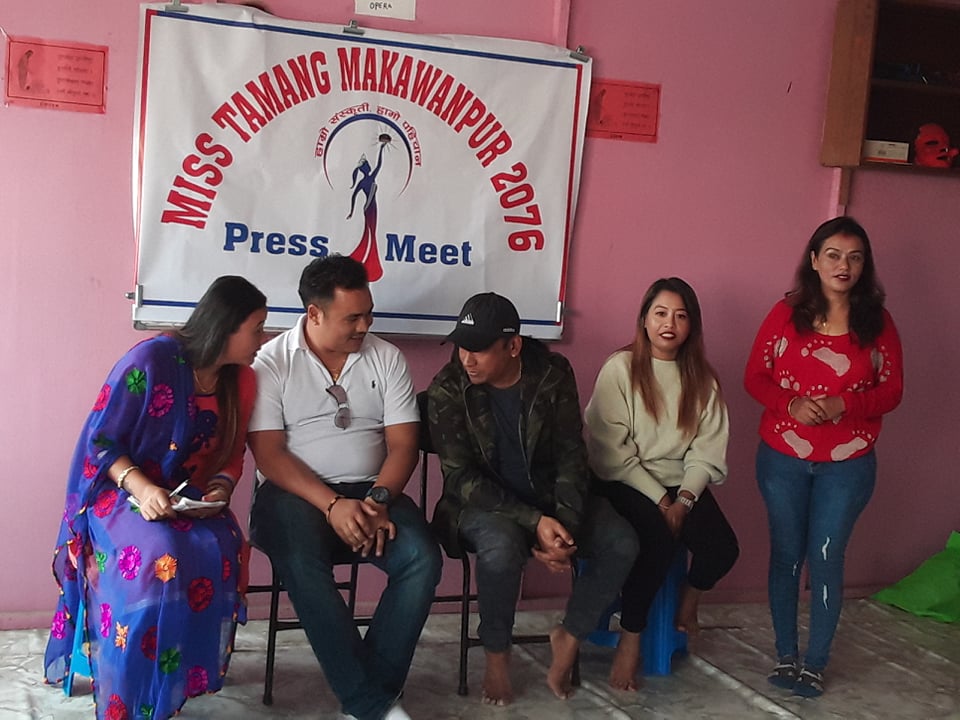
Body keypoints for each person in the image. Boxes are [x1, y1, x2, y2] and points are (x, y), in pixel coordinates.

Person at [44, 276, 268, 720]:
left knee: (222, 544)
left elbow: (232, 455)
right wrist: (143, 488)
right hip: (121, 492)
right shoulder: (151, 361)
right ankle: (131, 691)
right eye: (257, 329)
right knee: (161, 555)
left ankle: (180, 670)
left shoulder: (242, 381)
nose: (263, 340)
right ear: (226, 326)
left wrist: (221, 488)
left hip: (188, 499)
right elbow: (101, 442)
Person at [247, 255, 441, 720]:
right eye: (352, 318)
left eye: (368, 314)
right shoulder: (271, 362)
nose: (364, 326)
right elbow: (269, 455)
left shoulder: (386, 357)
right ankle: (372, 704)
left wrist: (377, 500)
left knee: (421, 557)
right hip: (293, 495)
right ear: (314, 313)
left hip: (373, 493)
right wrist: (333, 505)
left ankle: (365, 701)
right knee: (301, 559)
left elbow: (403, 446)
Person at [428, 292, 639, 705]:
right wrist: (535, 522)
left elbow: (571, 455)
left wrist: (564, 530)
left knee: (622, 542)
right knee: (500, 548)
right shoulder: (448, 387)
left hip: (550, 500)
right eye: (461, 346)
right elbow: (460, 478)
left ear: (513, 346)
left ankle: (570, 634)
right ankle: (496, 654)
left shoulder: (552, 375)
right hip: (482, 505)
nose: (466, 359)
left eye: (478, 349)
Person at [744, 216, 903, 698]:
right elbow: (755, 377)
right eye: (833, 255)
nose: (843, 265)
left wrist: (844, 404)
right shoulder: (785, 314)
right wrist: (790, 403)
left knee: (827, 557)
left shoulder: (877, 323)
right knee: (786, 555)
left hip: (848, 464)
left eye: (855, 257)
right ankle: (785, 654)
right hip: (782, 458)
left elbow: (892, 391)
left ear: (865, 265)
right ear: (814, 260)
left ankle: (815, 663)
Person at [584, 277, 740, 691]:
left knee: (723, 549)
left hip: (680, 483)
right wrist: (661, 500)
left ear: (692, 326)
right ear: (644, 319)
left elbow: (706, 451)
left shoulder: (702, 380)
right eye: (660, 313)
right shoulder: (620, 368)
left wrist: (684, 500)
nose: (669, 324)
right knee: (656, 541)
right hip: (625, 479)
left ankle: (689, 598)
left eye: (680, 316)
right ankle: (631, 640)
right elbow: (610, 450)